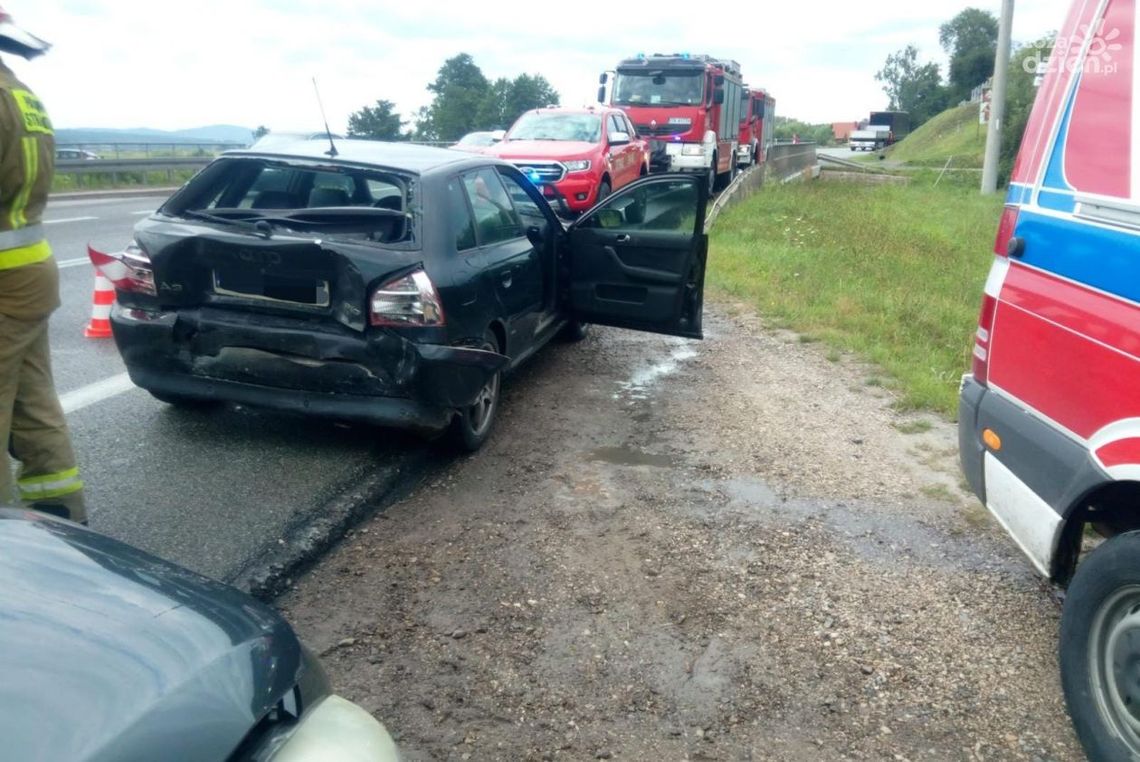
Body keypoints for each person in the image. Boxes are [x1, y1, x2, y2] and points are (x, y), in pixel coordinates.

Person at [0, 8, 86, 523]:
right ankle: (62, 522)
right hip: (28, 273)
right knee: (33, 409)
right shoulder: (20, 93)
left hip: (4, 278)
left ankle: (8, 559)